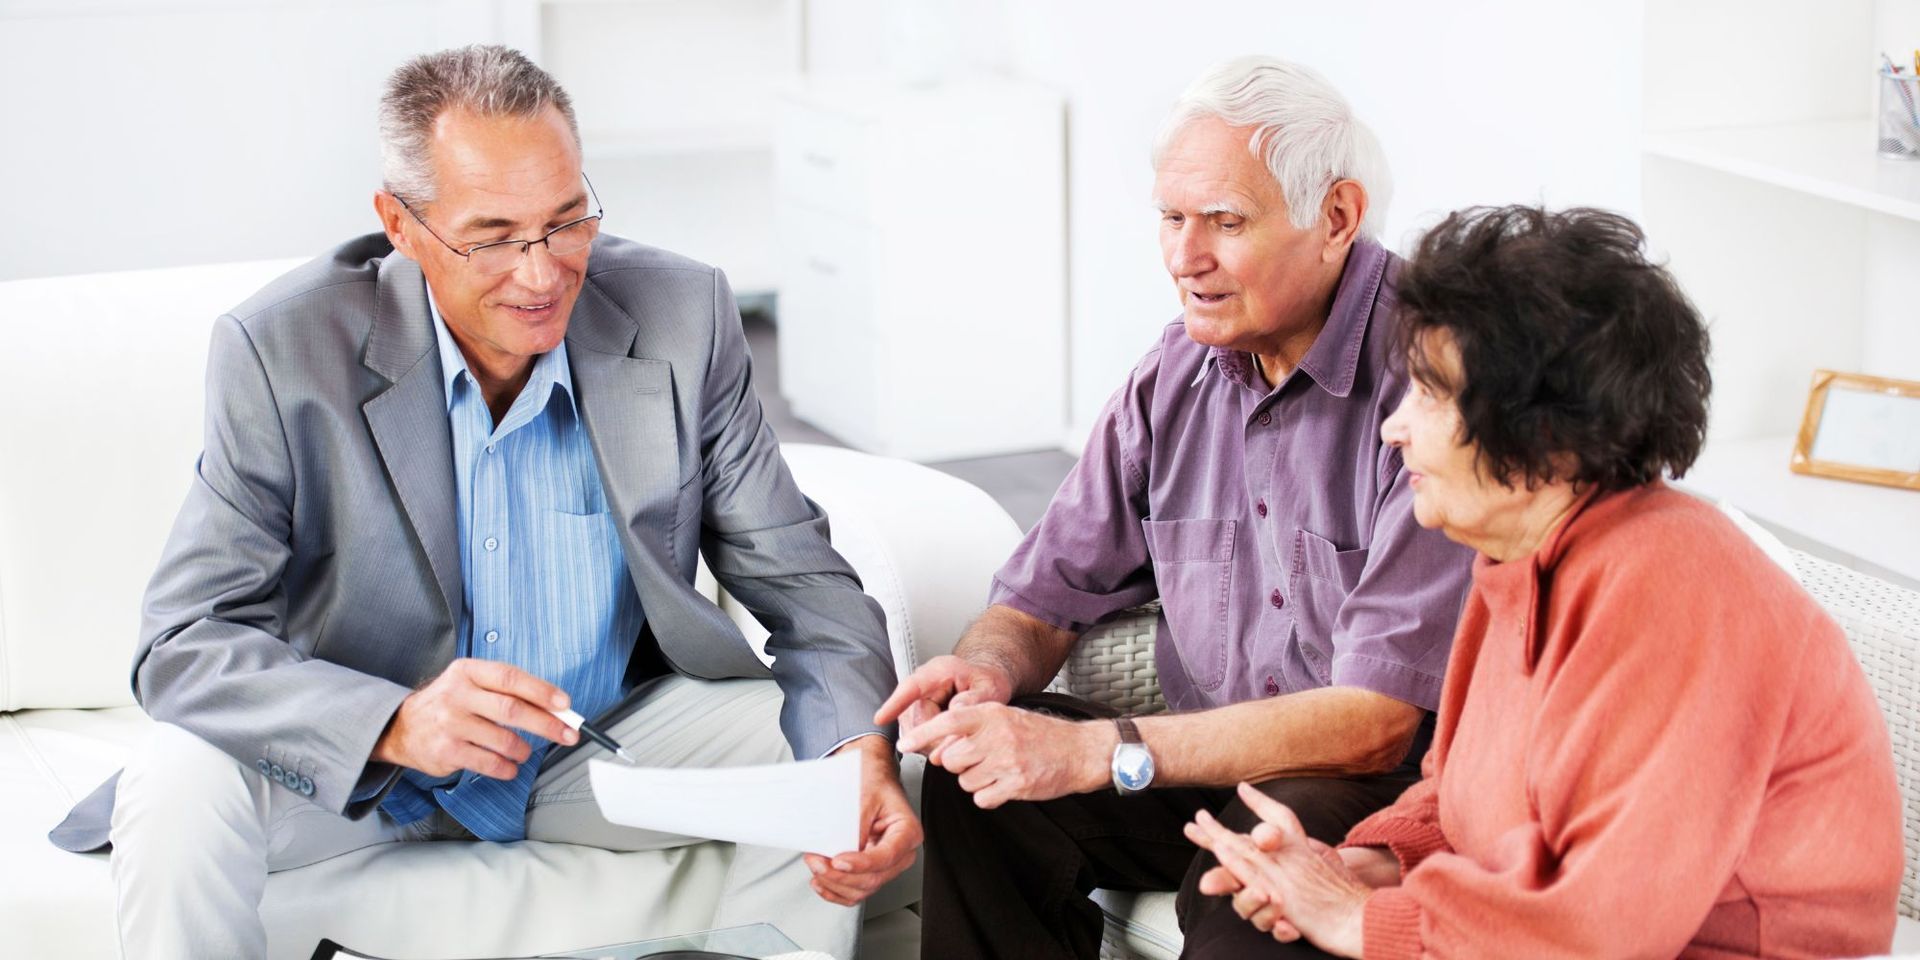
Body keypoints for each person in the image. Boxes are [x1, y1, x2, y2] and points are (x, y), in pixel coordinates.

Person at [47, 44, 918, 958]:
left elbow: (804, 581)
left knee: (820, 763)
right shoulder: (282, 350)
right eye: (494, 236)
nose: (542, 274)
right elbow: (183, 642)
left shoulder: (682, 313)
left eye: (567, 220)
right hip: (362, 771)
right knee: (181, 776)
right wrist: (391, 723)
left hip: (593, 746)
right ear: (400, 224)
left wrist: (854, 754)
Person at [874, 56, 1476, 959]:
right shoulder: (1178, 372)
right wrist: (990, 674)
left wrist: (1098, 750)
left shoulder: (1429, 382)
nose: (1185, 257)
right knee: (983, 790)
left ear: (1337, 218)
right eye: (1171, 218)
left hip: (1376, 783)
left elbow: (1374, 720)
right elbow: (1042, 596)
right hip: (1203, 758)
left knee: (1241, 879)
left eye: (1226, 223)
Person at [1185, 204, 1904, 959]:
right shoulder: (1518, 556)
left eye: (1429, 395)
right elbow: (1463, 799)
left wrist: (1360, 917)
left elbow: (1605, 919)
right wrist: (1370, 865)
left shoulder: (1673, 586)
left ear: (1544, 433)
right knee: (1243, 903)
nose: (1395, 427)